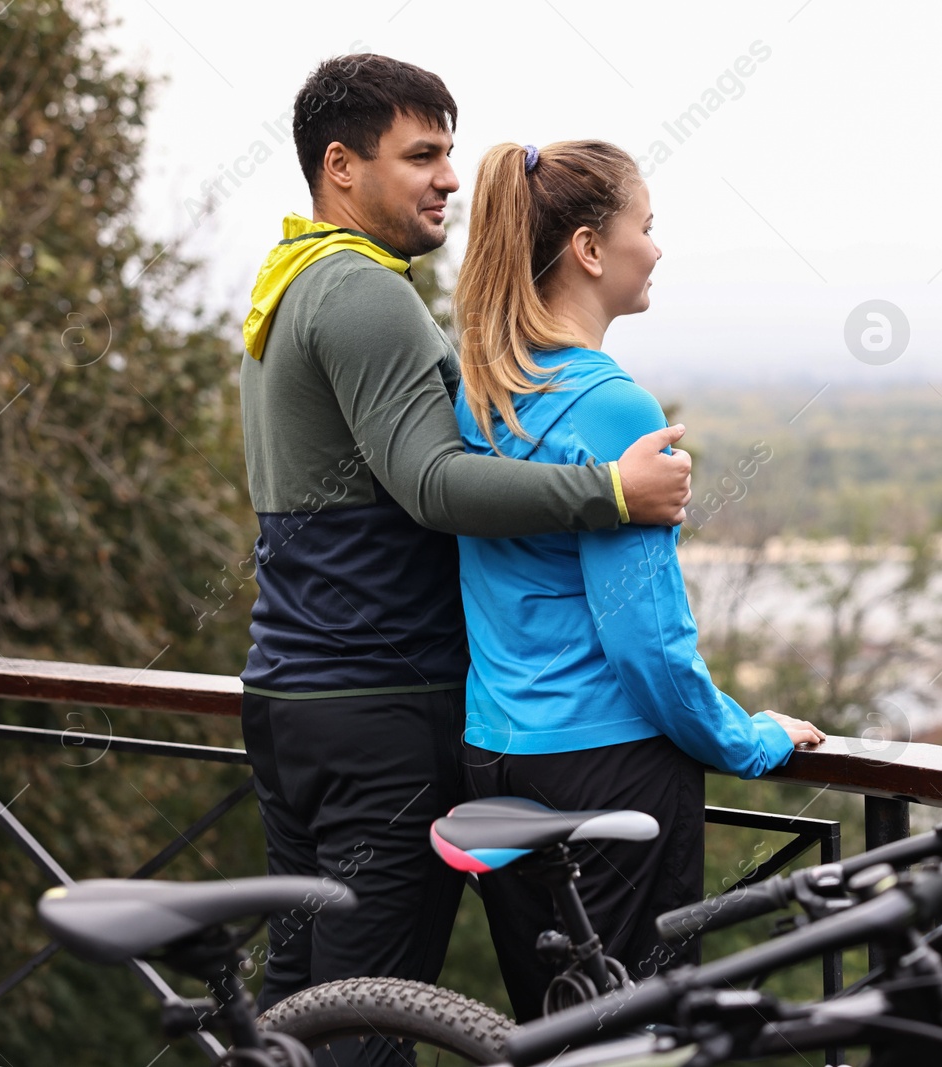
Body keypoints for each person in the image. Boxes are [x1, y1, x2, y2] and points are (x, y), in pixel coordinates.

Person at [236, 56, 691, 1061]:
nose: (448, 178)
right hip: (380, 704)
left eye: (449, 152)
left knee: (297, 1005)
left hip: (295, 699)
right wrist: (613, 491)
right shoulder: (361, 292)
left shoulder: (286, 286)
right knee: (367, 1010)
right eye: (422, 156)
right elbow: (435, 483)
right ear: (341, 167)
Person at [451, 139, 825, 1021]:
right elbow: (646, 644)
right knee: (635, 1037)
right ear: (589, 248)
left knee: (548, 1030)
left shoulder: (483, 392)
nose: (657, 248)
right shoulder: (614, 406)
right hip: (606, 772)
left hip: (495, 761)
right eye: (646, 227)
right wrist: (750, 737)